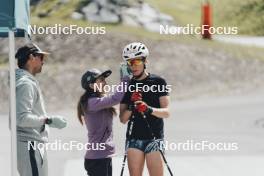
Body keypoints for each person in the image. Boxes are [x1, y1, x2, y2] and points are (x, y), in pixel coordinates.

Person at [15, 43, 67, 176]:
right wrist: (48, 120)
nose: (43, 62)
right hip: (30, 144)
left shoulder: (26, 81)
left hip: (32, 145)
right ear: (32, 57)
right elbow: (21, 118)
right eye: (41, 57)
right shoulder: (25, 84)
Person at [119, 42, 170, 176]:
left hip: (154, 139)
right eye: (129, 63)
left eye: (136, 61)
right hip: (133, 140)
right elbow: (123, 119)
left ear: (145, 60)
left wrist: (148, 109)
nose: (133, 66)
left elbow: (167, 112)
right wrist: (132, 104)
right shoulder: (126, 85)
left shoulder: (158, 82)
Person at [77, 68, 130, 176]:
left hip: (103, 157)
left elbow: (118, 103)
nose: (105, 82)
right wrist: (125, 79)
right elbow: (116, 98)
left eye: (104, 79)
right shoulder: (92, 102)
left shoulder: (100, 100)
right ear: (92, 86)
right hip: (97, 159)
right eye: (101, 80)